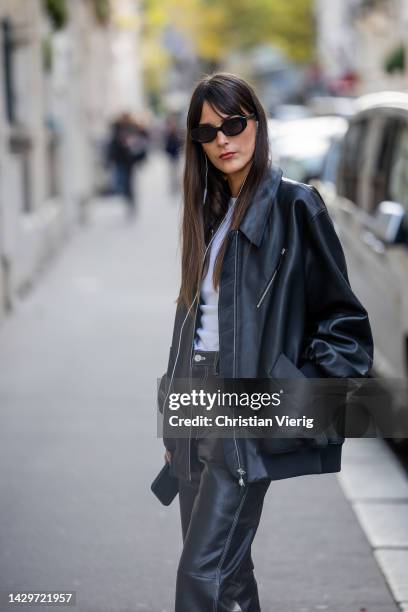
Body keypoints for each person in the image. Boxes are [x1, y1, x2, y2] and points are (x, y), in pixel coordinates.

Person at [157, 72, 374, 611]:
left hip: (247, 408)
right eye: (208, 133)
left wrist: (293, 396)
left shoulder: (298, 207)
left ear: (257, 122)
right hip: (197, 403)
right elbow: (191, 320)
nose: (223, 140)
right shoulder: (206, 213)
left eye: (234, 123)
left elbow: (345, 323)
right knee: (228, 576)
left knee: (200, 579)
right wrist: (172, 415)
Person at [106, 112, 149, 217]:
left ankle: (131, 203)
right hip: (120, 160)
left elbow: (142, 138)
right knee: (123, 182)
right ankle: (128, 201)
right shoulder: (117, 128)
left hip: (129, 160)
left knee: (129, 183)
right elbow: (113, 144)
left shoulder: (133, 127)